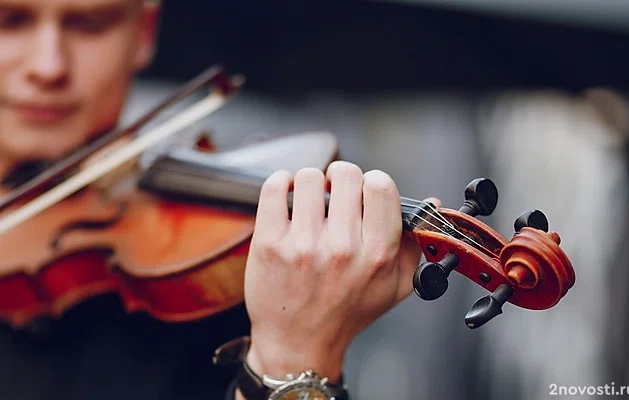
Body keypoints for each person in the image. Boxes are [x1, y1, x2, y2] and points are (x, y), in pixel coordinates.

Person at [0, 0, 430, 399]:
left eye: (90, 25)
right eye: (9, 21)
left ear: (144, 31)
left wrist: (293, 357)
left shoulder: (229, 283)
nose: (48, 66)